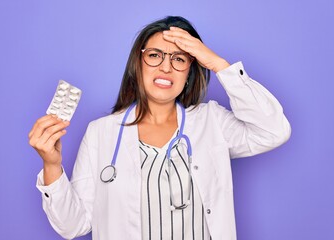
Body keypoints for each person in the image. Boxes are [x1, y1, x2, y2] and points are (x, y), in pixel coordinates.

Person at [29, 16, 291, 240]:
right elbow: (73, 225)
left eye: (179, 59)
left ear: (190, 70)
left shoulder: (211, 122)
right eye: (154, 55)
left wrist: (219, 65)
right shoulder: (102, 133)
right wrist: (51, 166)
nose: (166, 67)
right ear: (138, 63)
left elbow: (274, 130)